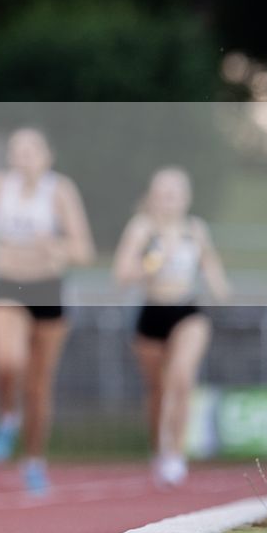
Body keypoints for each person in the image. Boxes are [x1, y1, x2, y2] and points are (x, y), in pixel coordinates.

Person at [0, 127, 95, 494]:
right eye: (17, 150)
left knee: (38, 387)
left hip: (47, 288)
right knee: (6, 361)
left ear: (47, 156)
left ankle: (33, 461)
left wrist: (58, 249)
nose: (23, 156)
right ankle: (6, 416)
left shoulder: (60, 191)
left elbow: (84, 250)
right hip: (8, 284)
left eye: (31, 150)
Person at [111, 166, 229, 487]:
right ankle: (159, 448)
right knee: (158, 391)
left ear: (186, 198)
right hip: (151, 313)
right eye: (161, 194)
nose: (168, 200)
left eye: (174, 194)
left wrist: (222, 291)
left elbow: (211, 265)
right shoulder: (142, 229)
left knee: (181, 376)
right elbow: (121, 275)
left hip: (188, 311)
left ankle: (176, 452)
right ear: (152, 197)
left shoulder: (195, 230)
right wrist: (152, 264)